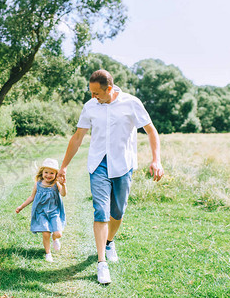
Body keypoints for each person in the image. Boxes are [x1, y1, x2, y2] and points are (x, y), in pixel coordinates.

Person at [58, 69, 164, 284]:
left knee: (118, 211)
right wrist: (64, 166)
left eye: (96, 93)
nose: (92, 97)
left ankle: (109, 241)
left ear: (109, 88)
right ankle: (101, 263)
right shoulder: (90, 107)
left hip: (123, 165)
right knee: (100, 211)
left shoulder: (131, 103)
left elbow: (151, 131)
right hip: (98, 164)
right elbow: (78, 137)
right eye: (90, 92)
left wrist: (156, 160)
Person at [16, 158, 67, 262]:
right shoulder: (38, 184)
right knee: (45, 233)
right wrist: (21, 207)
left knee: (58, 233)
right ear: (42, 172)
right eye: (46, 172)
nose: (48, 175)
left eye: (51, 173)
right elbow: (31, 197)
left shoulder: (56, 184)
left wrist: (63, 185)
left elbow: (63, 194)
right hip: (41, 213)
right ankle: (48, 253)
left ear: (56, 174)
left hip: (54, 212)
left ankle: (55, 238)